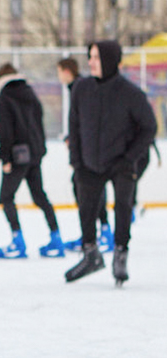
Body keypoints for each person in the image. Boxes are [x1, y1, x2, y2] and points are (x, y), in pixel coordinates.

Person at [64, 40, 156, 286]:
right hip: (89, 162)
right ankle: (90, 254)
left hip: (121, 162)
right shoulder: (81, 89)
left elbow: (149, 128)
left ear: (109, 60)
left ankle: (120, 254)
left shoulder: (130, 93)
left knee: (123, 207)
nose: (91, 62)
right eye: (90, 57)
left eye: (95, 57)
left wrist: (130, 157)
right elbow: (74, 125)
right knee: (86, 207)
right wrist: (76, 160)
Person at [0, 63, 64, 259]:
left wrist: (5, 158)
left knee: (6, 197)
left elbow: (5, 131)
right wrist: (40, 149)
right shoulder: (30, 94)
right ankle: (56, 236)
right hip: (34, 154)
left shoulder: (3, 99)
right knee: (40, 195)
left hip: (16, 157)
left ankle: (18, 241)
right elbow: (39, 123)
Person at [56, 57, 114, 253]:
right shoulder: (77, 87)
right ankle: (93, 232)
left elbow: (87, 119)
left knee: (88, 188)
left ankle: (101, 231)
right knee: (84, 188)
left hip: (91, 151)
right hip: (85, 148)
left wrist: (77, 142)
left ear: (66, 71)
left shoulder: (81, 88)